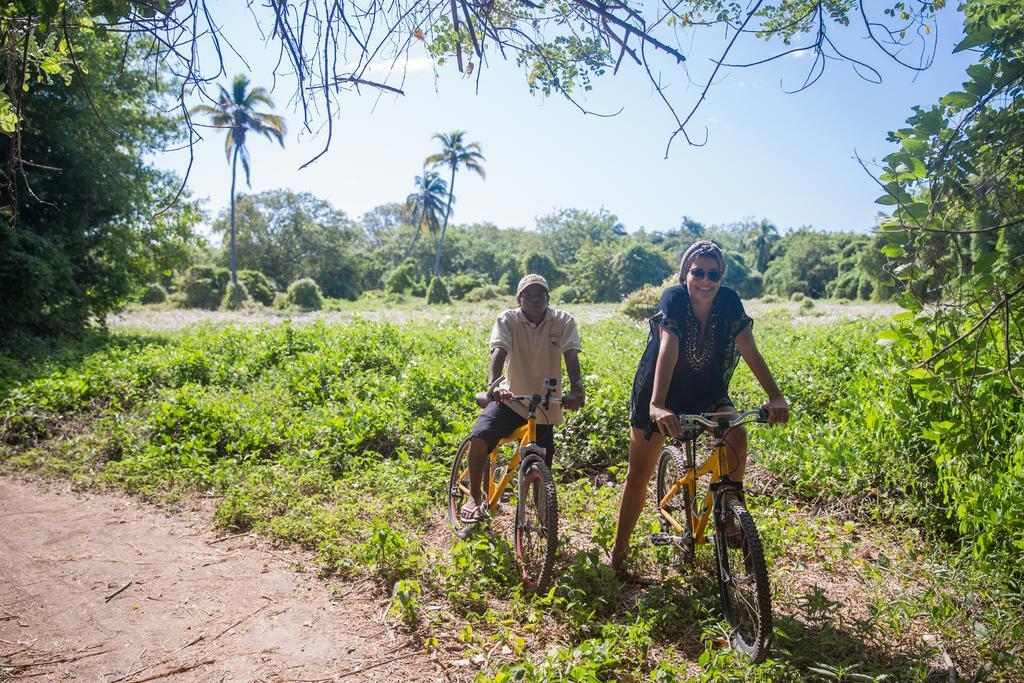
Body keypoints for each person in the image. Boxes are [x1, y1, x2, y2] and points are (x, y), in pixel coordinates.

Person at [609, 240, 789, 570]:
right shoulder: (674, 297)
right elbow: (669, 346)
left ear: (721, 276)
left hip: (707, 389)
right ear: (686, 272)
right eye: (698, 272)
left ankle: (730, 516)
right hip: (661, 390)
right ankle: (618, 555)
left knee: (736, 435)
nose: (706, 280)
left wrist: (775, 395)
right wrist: (659, 404)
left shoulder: (729, 302)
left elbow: (748, 348)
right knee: (639, 474)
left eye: (713, 274)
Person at [460, 273, 586, 523]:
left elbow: (571, 355)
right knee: (479, 439)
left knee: (543, 464)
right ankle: (474, 496)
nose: (534, 298)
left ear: (547, 298)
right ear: (519, 299)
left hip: (545, 406)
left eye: (540, 294)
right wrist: (494, 386)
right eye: (528, 294)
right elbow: (498, 352)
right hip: (511, 400)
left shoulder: (562, 321)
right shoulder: (508, 319)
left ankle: (543, 519)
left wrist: (576, 389)